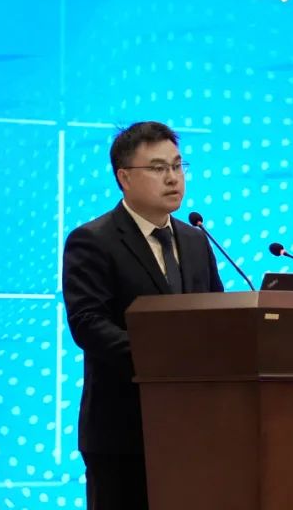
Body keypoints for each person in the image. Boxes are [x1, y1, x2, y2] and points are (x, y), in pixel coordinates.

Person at [62, 121, 224, 510]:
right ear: (124, 178)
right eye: (157, 168)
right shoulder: (93, 241)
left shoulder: (195, 239)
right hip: (123, 432)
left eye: (178, 166)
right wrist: (163, 362)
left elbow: (216, 315)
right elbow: (89, 324)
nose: (173, 178)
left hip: (194, 430)